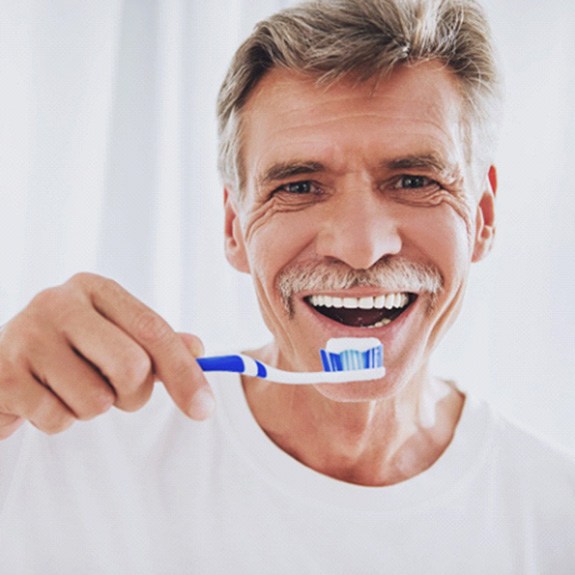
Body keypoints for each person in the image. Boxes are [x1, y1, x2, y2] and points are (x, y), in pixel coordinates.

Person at [0, 0, 574, 573]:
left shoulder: (554, 520)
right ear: (234, 226)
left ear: (483, 215)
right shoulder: (61, 449)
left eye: (413, 180)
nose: (360, 246)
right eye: (299, 186)